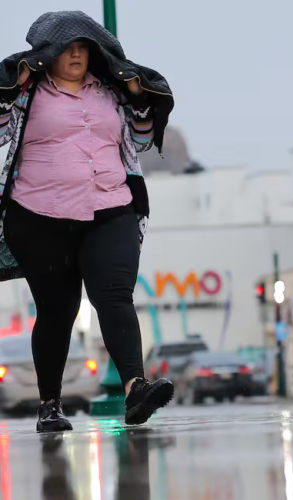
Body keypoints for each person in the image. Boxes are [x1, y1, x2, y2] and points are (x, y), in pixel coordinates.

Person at [0, 12, 175, 432]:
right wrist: (8, 90)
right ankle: (50, 404)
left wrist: (138, 97)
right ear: (49, 54)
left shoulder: (109, 92)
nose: (76, 53)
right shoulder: (28, 94)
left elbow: (142, 137)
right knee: (58, 310)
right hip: (39, 217)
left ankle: (136, 389)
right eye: (67, 47)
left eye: (84, 47)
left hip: (111, 207)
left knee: (115, 295)